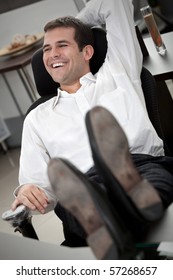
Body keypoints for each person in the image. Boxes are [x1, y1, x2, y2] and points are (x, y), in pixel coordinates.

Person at [11, 0, 173, 253]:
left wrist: (75, 24)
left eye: (62, 45)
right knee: (79, 203)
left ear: (87, 52)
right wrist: (28, 191)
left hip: (140, 165)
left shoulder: (118, 72)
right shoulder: (37, 118)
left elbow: (114, 3)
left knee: (150, 185)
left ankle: (112, 230)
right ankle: (114, 217)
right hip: (83, 188)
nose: (52, 54)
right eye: (47, 49)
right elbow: (40, 186)